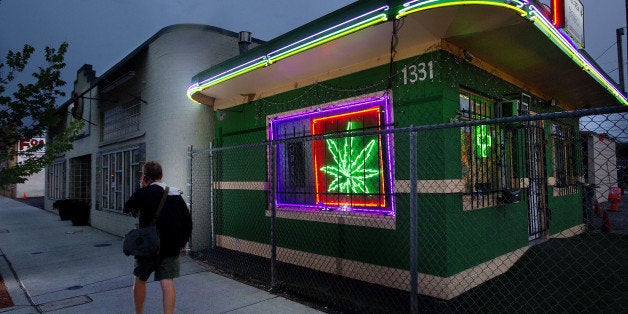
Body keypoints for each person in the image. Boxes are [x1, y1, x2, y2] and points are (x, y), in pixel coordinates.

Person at [123, 161, 192, 314]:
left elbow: (127, 208)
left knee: (140, 279)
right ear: (161, 175)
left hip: (146, 246)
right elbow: (187, 221)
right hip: (170, 246)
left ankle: (139, 312)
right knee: (167, 282)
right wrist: (182, 242)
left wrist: (142, 188)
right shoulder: (175, 194)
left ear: (145, 177)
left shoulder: (143, 193)